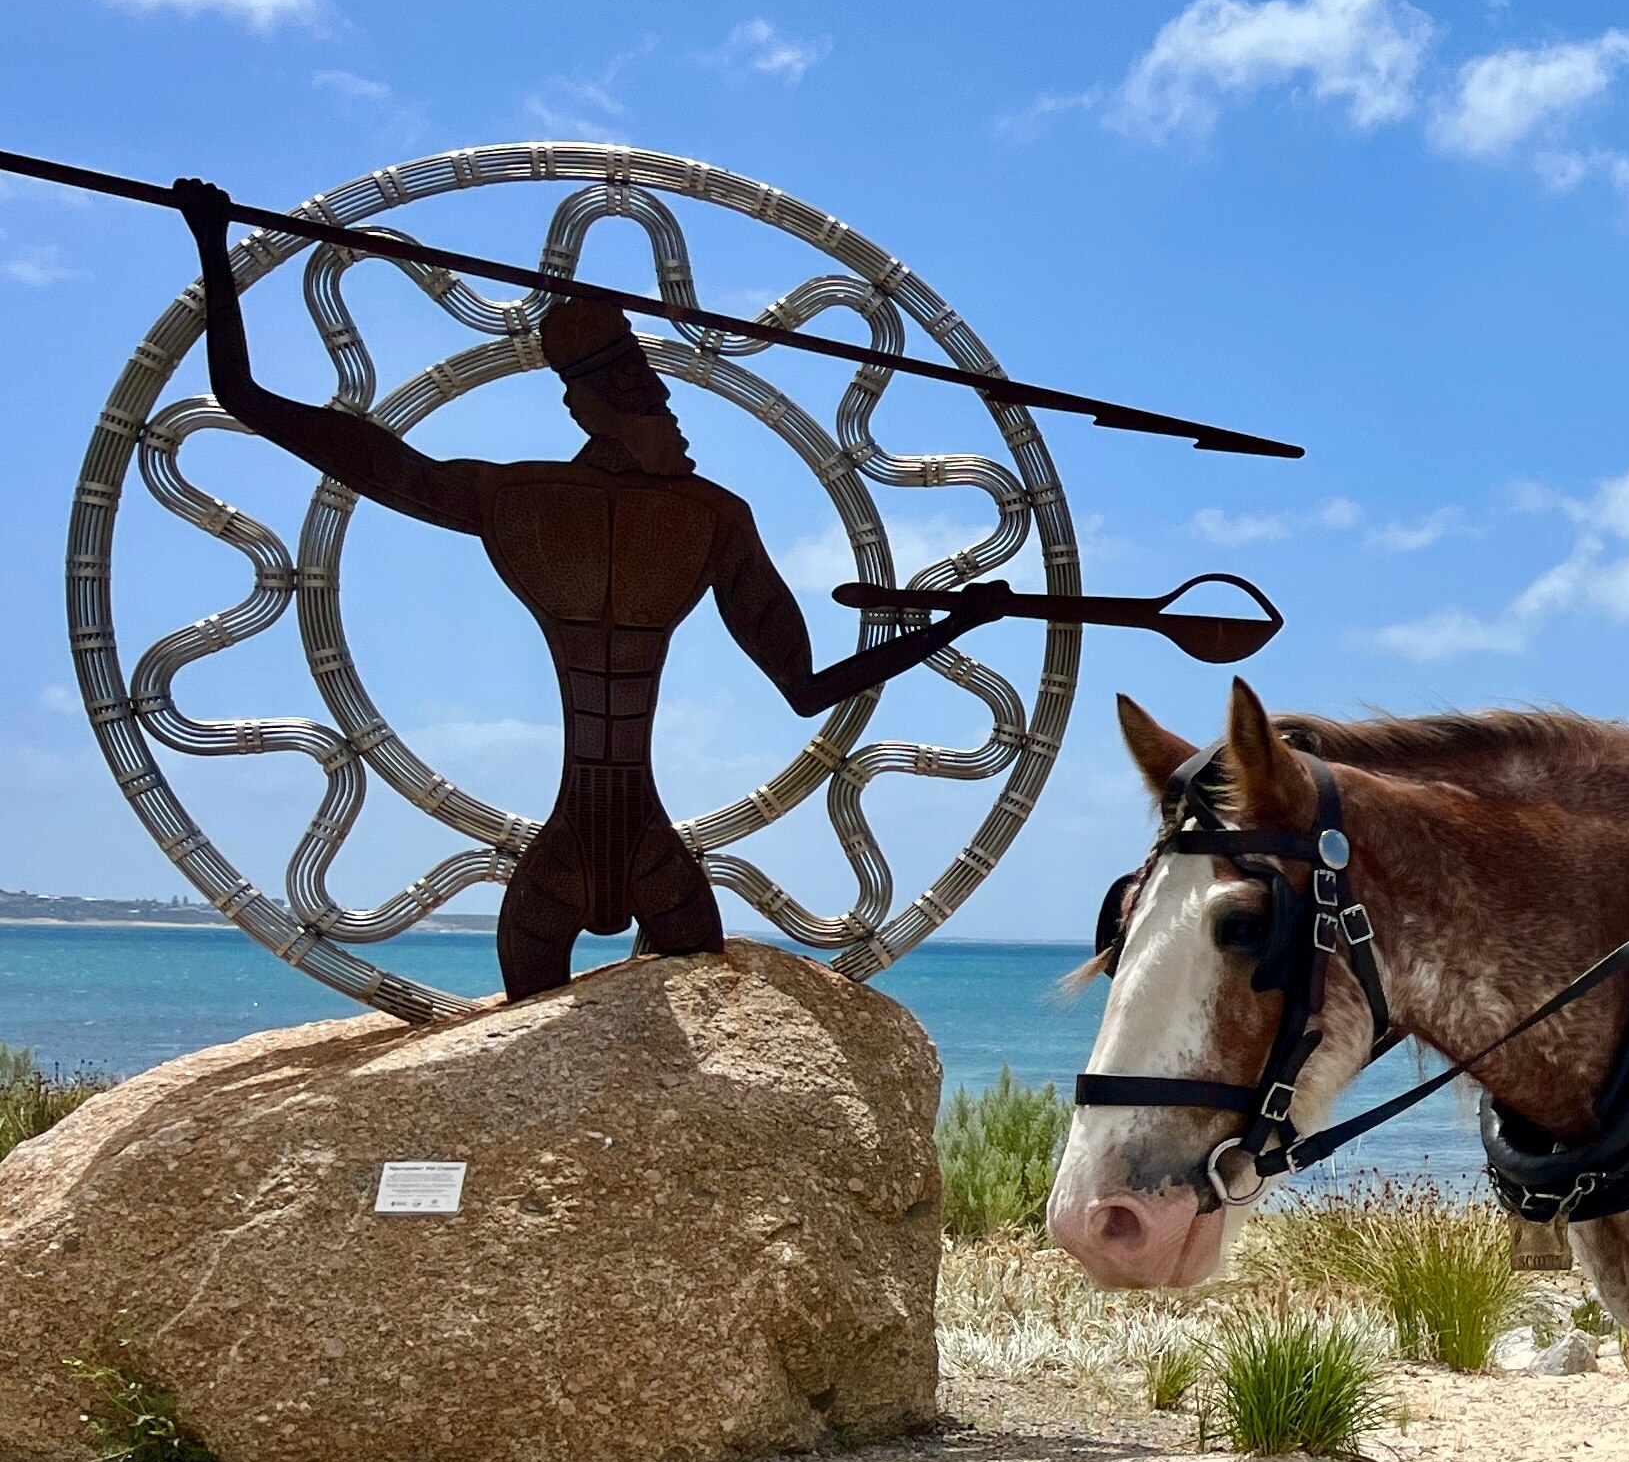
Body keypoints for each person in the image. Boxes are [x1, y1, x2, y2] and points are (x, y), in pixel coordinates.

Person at [174, 179, 1016, 1000]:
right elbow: (254, 403)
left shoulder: (703, 517)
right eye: (653, 396)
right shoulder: (528, 501)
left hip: (647, 849)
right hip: (580, 849)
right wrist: (215, 248)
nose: (675, 417)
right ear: (596, 407)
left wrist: (958, 624)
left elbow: (805, 688)